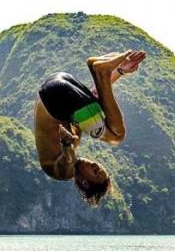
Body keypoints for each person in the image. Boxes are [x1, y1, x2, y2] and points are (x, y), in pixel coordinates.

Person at [33, 49, 146, 205]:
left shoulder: (60, 173)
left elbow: (67, 160)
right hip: (58, 86)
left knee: (116, 137)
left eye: (95, 171)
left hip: (56, 94)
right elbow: (95, 95)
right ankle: (98, 68)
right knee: (102, 118)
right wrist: (120, 71)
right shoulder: (76, 135)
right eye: (98, 166)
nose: (94, 164)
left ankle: (99, 70)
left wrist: (67, 146)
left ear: (84, 182)